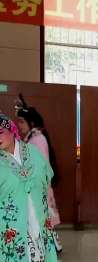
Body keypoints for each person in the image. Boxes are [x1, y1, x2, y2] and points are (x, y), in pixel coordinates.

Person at [0, 112, 58, 262]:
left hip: (34, 212)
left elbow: (47, 172)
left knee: (34, 252)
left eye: (1, 132)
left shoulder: (31, 151)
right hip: (9, 218)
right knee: (11, 255)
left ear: (11, 130)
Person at [14, 95, 63, 252]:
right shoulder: (32, 138)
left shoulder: (37, 140)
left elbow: (40, 167)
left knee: (42, 218)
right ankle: (53, 246)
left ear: (31, 123)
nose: (19, 125)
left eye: (22, 122)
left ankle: (53, 247)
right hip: (34, 186)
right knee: (42, 219)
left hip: (38, 186)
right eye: (18, 122)